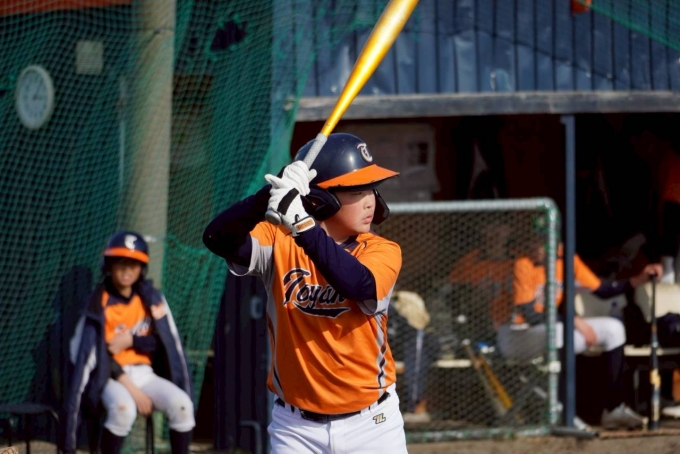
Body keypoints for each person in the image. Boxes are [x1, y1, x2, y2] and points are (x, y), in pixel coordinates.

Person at [203, 133, 408, 453]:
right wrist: (266, 196)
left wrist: (302, 224)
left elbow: (357, 284)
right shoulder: (278, 240)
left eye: (371, 189)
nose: (370, 200)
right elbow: (217, 238)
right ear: (319, 199)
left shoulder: (382, 250)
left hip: (372, 424)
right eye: (356, 191)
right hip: (295, 428)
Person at [497, 221, 662, 430]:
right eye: (531, 240)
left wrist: (639, 279)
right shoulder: (523, 263)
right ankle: (564, 412)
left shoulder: (567, 260)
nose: (533, 246)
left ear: (555, 242)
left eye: (539, 241)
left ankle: (613, 409)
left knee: (613, 329)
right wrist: (573, 321)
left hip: (550, 330)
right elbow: (530, 314)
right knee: (562, 333)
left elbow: (603, 290)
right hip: (516, 336)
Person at [61, 231, 194, 454]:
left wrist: (132, 340)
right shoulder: (99, 303)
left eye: (133, 264)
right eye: (120, 263)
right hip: (110, 377)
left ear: (141, 268)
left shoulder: (151, 298)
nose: (126, 270)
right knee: (124, 410)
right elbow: (97, 354)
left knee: (182, 406)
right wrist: (132, 388)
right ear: (109, 266)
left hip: (145, 374)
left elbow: (163, 343)